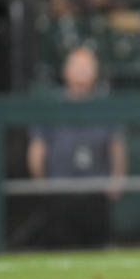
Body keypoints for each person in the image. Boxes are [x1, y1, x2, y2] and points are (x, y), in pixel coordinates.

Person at [27, 47, 127, 248]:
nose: (82, 71)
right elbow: (37, 147)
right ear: (65, 71)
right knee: (60, 245)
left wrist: (117, 178)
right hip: (60, 190)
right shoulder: (51, 106)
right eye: (77, 66)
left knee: (98, 246)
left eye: (87, 67)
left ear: (95, 72)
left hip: (95, 191)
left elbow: (116, 146)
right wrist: (41, 182)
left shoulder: (105, 106)